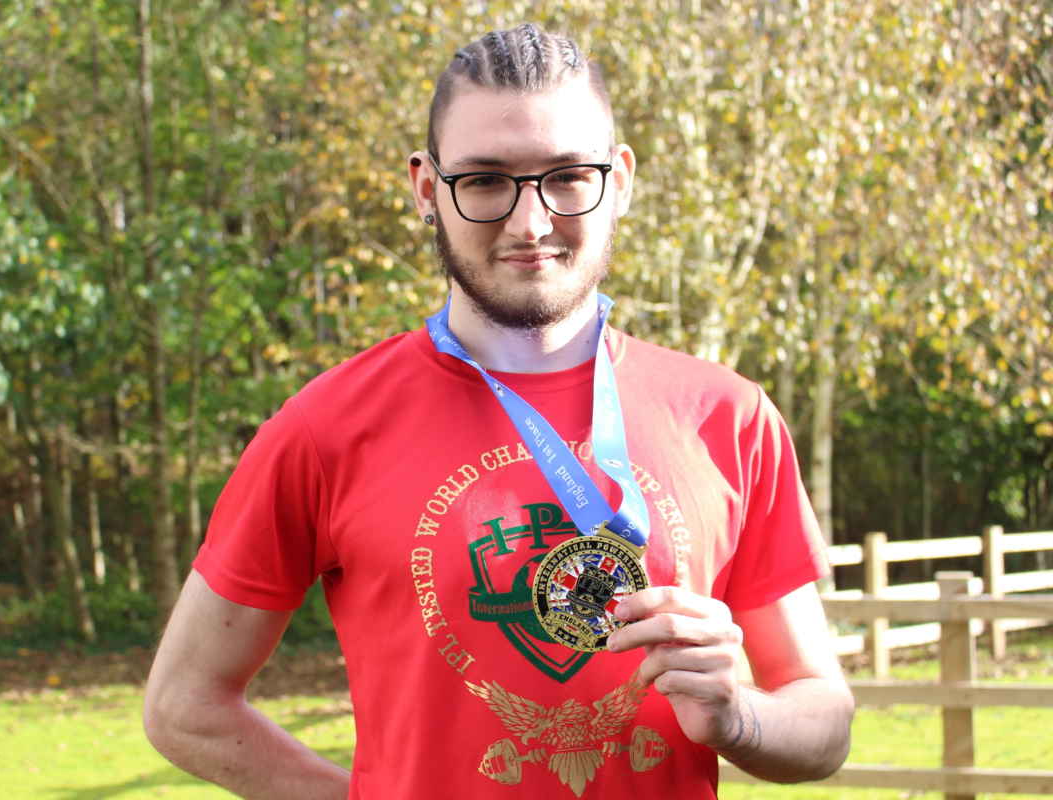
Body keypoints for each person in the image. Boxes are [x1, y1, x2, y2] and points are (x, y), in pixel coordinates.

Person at [143, 23, 854, 800]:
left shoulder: (729, 416)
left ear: (619, 180)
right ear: (425, 188)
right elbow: (185, 707)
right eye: (485, 181)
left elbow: (823, 723)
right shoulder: (325, 428)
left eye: (567, 176)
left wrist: (736, 717)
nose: (531, 222)